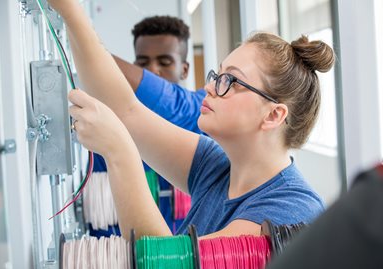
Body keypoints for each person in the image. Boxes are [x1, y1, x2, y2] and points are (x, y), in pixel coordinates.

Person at [48, 0, 335, 239]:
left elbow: (167, 262)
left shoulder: (288, 212)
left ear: (274, 114)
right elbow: (126, 111)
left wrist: (119, 151)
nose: (210, 87)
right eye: (218, 75)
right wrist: (71, 12)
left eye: (231, 81)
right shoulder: (216, 166)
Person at [91, 15, 203, 236]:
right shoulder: (111, 123)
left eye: (164, 62)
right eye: (143, 63)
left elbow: (168, 102)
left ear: (184, 69)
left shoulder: (197, 109)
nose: (153, 70)